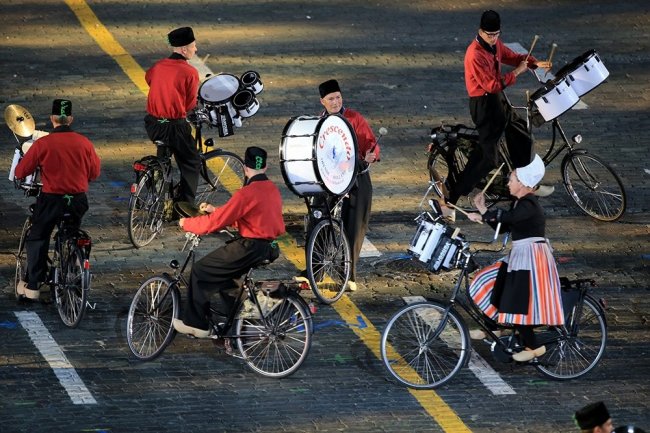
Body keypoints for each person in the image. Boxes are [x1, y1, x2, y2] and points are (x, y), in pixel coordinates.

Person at [444, 10, 552, 220]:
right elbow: (491, 85)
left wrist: (534, 63)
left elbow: (514, 57)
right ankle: (452, 198)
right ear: (480, 32)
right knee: (487, 159)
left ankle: (523, 191)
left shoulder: (495, 45)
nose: (493, 39)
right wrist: (518, 72)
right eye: (489, 35)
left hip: (498, 101)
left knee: (522, 136)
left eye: (496, 34)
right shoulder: (474, 54)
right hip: (484, 105)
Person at [172, 146, 285, 337]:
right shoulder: (272, 189)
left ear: (245, 169)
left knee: (201, 270)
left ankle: (196, 324)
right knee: (226, 279)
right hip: (268, 247)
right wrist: (215, 210)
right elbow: (246, 216)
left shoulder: (246, 193)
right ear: (265, 168)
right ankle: (242, 327)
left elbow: (215, 224)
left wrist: (187, 223)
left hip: (249, 246)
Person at [467, 154, 564, 362]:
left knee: (518, 303)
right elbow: (506, 227)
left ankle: (534, 347)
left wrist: (484, 215)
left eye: (511, 179)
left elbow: (508, 219)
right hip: (521, 257)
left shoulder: (528, 204)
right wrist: (483, 210)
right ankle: (494, 326)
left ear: (522, 183)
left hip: (531, 260)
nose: (508, 183)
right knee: (494, 281)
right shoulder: (521, 203)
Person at [15, 99, 101, 300]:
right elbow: (94, 173)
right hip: (78, 201)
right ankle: (74, 268)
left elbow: (21, 171)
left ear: (52, 119)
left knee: (38, 236)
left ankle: (34, 285)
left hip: (51, 200)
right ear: (70, 119)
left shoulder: (43, 144)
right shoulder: (85, 143)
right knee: (72, 233)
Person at [312, 79, 380, 292]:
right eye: (331, 99)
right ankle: (314, 270)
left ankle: (348, 274)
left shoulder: (354, 118)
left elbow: (372, 145)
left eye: (338, 97)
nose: (335, 102)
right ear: (322, 101)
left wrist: (372, 155)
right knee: (318, 218)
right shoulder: (319, 122)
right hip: (330, 178)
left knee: (354, 228)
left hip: (357, 176)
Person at [144, 26, 200, 205]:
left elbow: (149, 79)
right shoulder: (190, 72)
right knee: (191, 163)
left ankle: (158, 194)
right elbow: (190, 103)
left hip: (153, 124)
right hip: (174, 127)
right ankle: (185, 207)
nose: (195, 49)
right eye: (193, 46)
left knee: (163, 159)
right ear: (184, 49)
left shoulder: (158, 66)